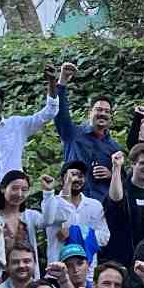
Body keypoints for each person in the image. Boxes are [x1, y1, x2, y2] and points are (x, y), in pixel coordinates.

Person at [0, 78, 59, 193]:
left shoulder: (17, 125)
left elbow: (50, 112)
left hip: (16, 195)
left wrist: (51, 83)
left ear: (2, 104)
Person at [53, 62, 123, 202]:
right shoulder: (72, 133)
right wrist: (63, 80)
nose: (102, 114)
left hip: (100, 205)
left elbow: (123, 180)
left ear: (110, 117)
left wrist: (111, 174)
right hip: (72, 200)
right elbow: (60, 112)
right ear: (89, 113)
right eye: (98, 109)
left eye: (106, 111)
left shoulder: (114, 147)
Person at [40, 161, 110, 270]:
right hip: (58, 268)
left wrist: (77, 232)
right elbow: (53, 218)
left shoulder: (94, 205)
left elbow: (104, 237)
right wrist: (67, 185)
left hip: (88, 272)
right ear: (61, 179)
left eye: (81, 176)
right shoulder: (51, 202)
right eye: (72, 175)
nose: (76, 179)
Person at [105, 147, 144, 268]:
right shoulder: (121, 188)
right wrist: (116, 167)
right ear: (133, 164)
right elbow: (115, 199)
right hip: (121, 258)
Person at [0, 170, 43, 280]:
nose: (19, 194)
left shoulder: (30, 216)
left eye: (24, 190)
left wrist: (48, 192)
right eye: (14, 188)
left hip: (27, 276)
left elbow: (51, 220)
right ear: (3, 189)